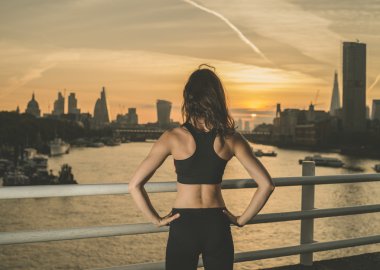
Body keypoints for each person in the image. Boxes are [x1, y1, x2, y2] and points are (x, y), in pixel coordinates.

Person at [129, 64, 276, 270]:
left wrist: (156, 220)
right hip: (217, 222)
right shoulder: (231, 139)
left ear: (188, 99)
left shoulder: (172, 137)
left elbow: (135, 185)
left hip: (183, 223)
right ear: (217, 98)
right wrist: (241, 220)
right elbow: (266, 185)